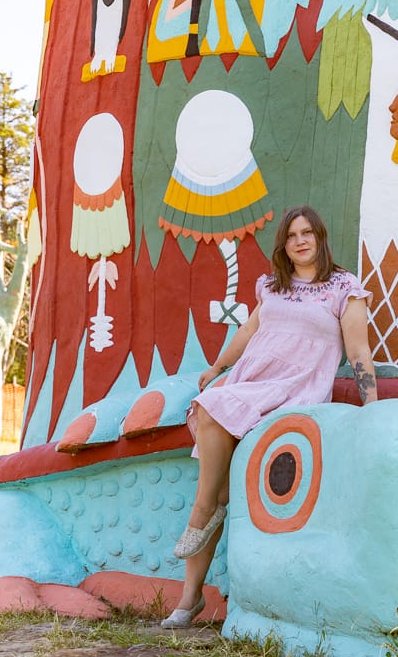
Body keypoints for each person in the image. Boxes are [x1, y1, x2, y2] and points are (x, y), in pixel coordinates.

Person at [161, 205, 378, 628]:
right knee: (219, 461)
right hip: (252, 381)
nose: (300, 241)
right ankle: (190, 599)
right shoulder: (272, 287)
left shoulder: (343, 287)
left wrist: (372, 405)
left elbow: (358, 350)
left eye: (307, 233)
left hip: (296, 389)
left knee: (216, 485)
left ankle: (199, 521)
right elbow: (246, 333)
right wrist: (218, 368)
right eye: (292, 235)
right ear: (284, 244)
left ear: (320, 237)